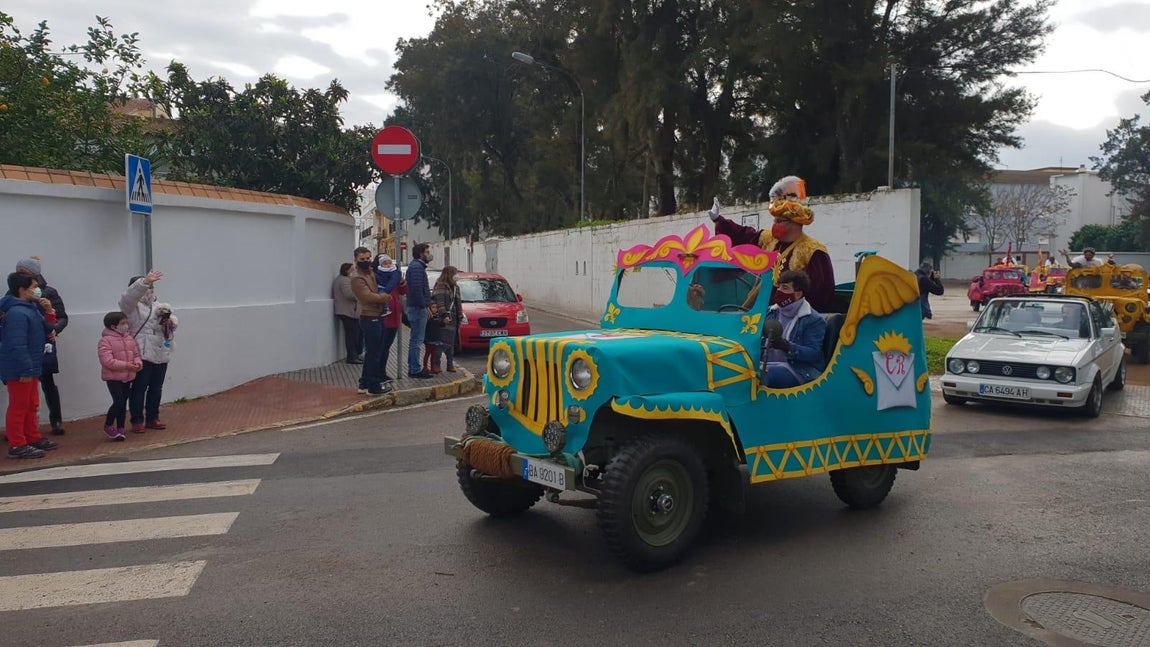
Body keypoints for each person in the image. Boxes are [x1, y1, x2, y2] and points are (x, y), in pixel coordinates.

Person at [708, 175, 837, 312]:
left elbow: (822, 291)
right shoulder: (769, 238)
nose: (774, 225)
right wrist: (719, 220)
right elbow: (743, 234)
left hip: (790, 315)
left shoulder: (813, 250)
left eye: (779, 221)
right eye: (774, 221)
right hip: (758, 308)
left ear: (795, 223)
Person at [1, 272, 60, 458]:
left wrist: (50, 312)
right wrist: (25, 369)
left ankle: (32, 437)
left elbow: (47, 329)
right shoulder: (17, 313)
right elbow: (17, 344)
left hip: (31, 365)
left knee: (31, 404)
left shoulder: (30, 307)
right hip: (20, 368)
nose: (37, 289)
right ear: (22, 289)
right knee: (19, 406)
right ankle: (17, 444)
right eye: (34, 286)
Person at [15, 258, 69, 435]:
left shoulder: (48, 292)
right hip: (24, 345)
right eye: (19, 270)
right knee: (22, 389)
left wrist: (53, 330)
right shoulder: (13, 293)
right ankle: (21, 427)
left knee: (47, 383)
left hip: (44, 343)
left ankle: (56, 421)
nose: (20, 273)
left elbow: (62, 317)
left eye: (24, 271)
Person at [120, 270, 178, 433]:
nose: (149, 290)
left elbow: (174, 319)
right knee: (139, 387)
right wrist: (143, 282)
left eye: (151, 287)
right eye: (147, 286)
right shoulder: (131, 306)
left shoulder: (159, 305)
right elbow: (128, 298)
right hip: (142, 351)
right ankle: (137, 419)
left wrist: (169, 322)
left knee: (156, 387)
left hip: (160, 350)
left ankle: (153, 417)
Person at [759, 270, 827, 389]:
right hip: (765, 364)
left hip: (797, 369)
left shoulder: (813, 320)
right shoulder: (769, 312)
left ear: (798, 294)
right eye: (779, 287)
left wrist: (787, 346)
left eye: (785, 288)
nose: (779, 291)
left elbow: (814, 354)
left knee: (764, 376)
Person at [349, 247, 393, 395]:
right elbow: (366, 296)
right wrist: (385, 297)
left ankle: (364, 383)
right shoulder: (356, 277)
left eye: (368, 258)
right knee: (374, 352)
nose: (366, 261)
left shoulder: (371, 273)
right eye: (362, 259)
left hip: (376, 314)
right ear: (356, 259)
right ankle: (373, 386)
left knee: (374, 352)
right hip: (369, 316)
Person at [97, 311, 142, 441]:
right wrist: (127, 365)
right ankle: (109, 425)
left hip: (127, 376)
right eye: (122, 323)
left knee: (123, 402)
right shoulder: (105, 341)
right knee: (118, 402)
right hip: (113, 377)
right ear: (113, 326)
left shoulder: (129, 338)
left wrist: (137, 364)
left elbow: (136, 354)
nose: (126, 325)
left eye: (126, 322)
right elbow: (107, 361)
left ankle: (121, 428)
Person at [404, 243, 434, 379]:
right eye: (427, 252)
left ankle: (413, 367)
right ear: (422, 253)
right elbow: (416, 289)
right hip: (417, 309)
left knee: (414, 339)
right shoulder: (417, 267)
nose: (429, 254)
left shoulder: (416, 266)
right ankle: (415, 369)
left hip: (416, 307)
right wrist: (424, 306)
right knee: (417, 340)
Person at [376, 254, 406, 383]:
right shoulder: (378, 278)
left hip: (394, 317)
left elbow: (403, 291)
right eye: (385, 263)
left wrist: (402, 282)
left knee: (387, 347)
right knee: (382, 347)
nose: (388, 265)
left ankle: (382, 372)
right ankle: (379, 373)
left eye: (389, 263)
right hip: (384, 318)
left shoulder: (395, 276)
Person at [431, 266, 462, 373]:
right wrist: (444, 315)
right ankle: (436, 363)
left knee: (451, 343)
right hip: (445, 319)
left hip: (454, 319)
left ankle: (450, 364)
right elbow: (440, 302)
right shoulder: (441, 286)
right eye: (455, 273)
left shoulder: (455, 287)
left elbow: (458, 303)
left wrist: (460, 316)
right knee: (442, 343)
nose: (456, 275)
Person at [332, 263, 362, 365]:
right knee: (352, 335)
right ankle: (352, 357)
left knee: (353, 334)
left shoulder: (341, 279)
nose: (354, 272)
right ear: (347, 270)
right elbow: (350, 294)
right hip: (348, 312)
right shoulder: (344, 280)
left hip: (347, 311)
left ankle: (354, 355)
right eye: (352, 270)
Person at [423, 301, 444, 374]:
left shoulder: (437, 317)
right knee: (427, 353)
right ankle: (425, 367)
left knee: (434, 354)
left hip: (436, 338)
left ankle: (432, 367)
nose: (435, 309)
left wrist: (444, 322)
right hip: (429, 339)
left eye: (436, 308)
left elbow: (441, 325)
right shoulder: (428, 317)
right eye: (433, 307)